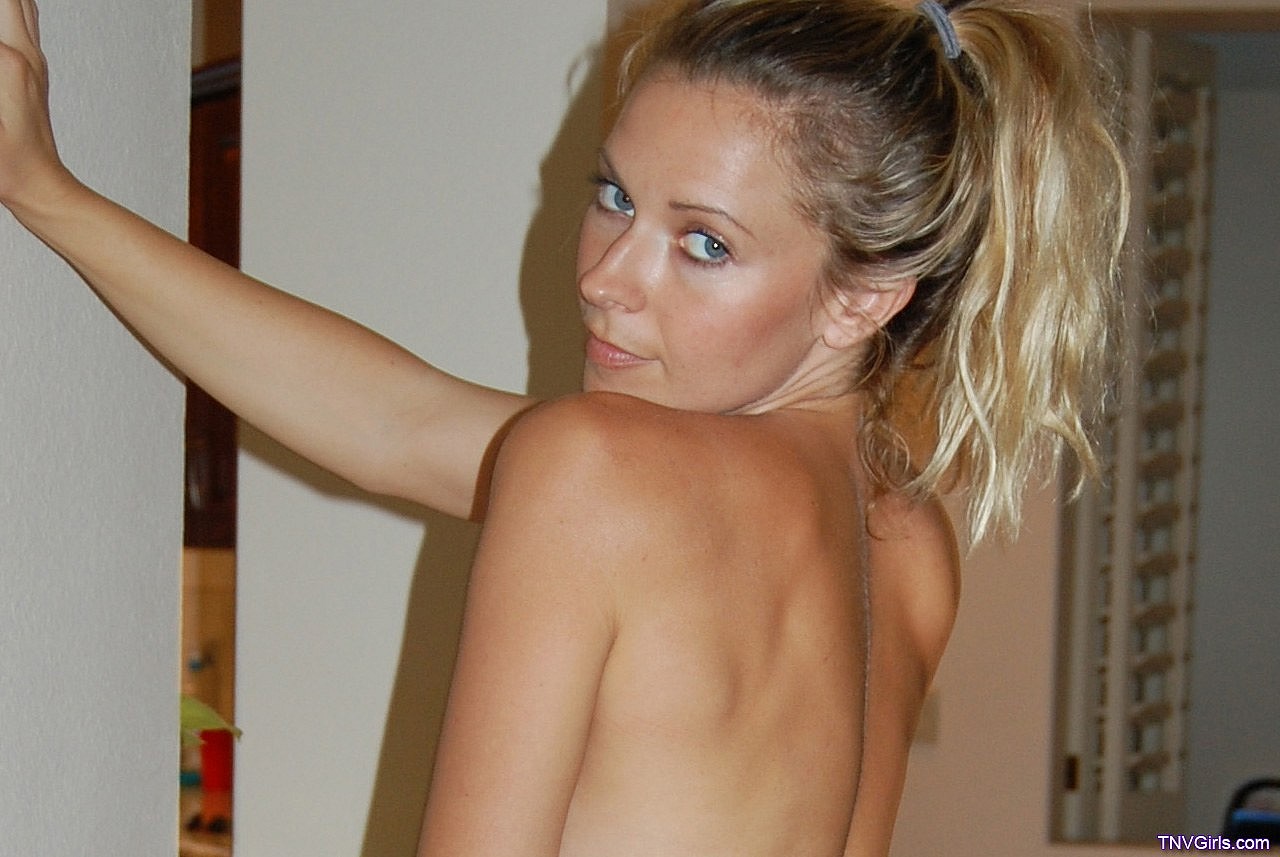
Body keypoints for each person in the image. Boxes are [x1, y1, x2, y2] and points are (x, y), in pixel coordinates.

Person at [0, 0, 1128, 854]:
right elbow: (394, 419)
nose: (604, 277)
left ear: (862, 295)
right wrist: (45, 189)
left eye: (704, 243)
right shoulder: (906, 542)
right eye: (616, 195)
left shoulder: (598, 475)